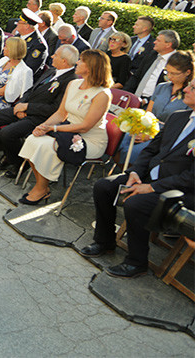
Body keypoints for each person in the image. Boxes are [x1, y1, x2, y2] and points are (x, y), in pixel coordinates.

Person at [82, 82, 194, 279]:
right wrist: (135, 173)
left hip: (179, 192)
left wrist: (151, 187)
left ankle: (137, 261)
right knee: (104, 187)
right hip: (149, 177)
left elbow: (191, 178)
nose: (185, 89)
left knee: (136, 203)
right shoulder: (178, 117)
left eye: (192, 88)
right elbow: (152, 150)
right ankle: (105, 242)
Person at [18, 50, 112, 205]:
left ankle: (41, 188)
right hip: (66, 129)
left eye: (81, 60)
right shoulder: (73, 84)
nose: (77, 63)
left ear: (90, 67)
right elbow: (61, 113)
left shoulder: (102, 94)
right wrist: (43, 126)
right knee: (32, 139)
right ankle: (42, 185)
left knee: (47, 146)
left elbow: (85, 127)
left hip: (89, 139)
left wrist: (52, 129)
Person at [0, 45, 80, 178]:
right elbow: (31, 90)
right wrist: (21, 104)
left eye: (55, 55)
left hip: (40, 117)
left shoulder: (71, 80)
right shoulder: (51, 71)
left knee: (7, 133)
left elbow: (56, 109)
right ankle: (9, 153)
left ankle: (19, 163)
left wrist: (27, 108)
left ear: (64, 61)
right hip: (24, 108)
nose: (52, 56)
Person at [117, 50, 193, 164]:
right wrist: (141, 129)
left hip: (167, 135)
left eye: (174, 73)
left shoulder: (190, 95)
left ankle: (133, 173)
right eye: (167, 72)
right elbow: (148, 113)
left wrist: (151, 135)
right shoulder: (161, 87)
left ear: (187, 72)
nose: (169, 76)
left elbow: (182, 127)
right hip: (148, 126)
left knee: (136, 151)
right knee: (120, 141)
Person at [125, 30, 179, 100]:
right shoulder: (152, 55)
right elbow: (136, 75)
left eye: (158, 40)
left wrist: (147, 101)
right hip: (135, 97)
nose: (154, 42)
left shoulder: (176, 62)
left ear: (168, 44)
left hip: (154, 102)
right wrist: (125, 93)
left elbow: (170, 89)